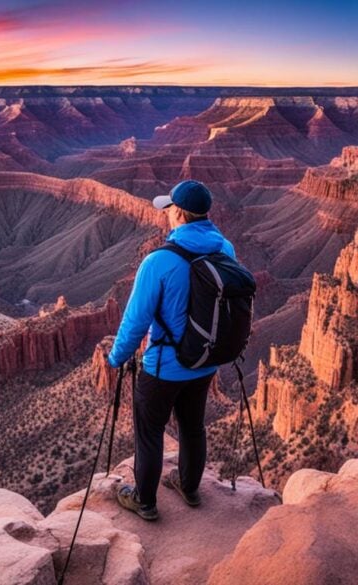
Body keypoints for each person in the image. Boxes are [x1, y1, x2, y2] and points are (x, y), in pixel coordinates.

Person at [105, 179, 235, 521]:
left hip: (164, 366)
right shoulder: (226, 250)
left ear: (178, 213)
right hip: (206, 362)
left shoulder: (158, 262)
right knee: (193, 426)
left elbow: (135, 321)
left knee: (149, 433)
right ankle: (189, 487)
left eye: (169, 210)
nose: (166, 215)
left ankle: (144, 501)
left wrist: (116, 358)